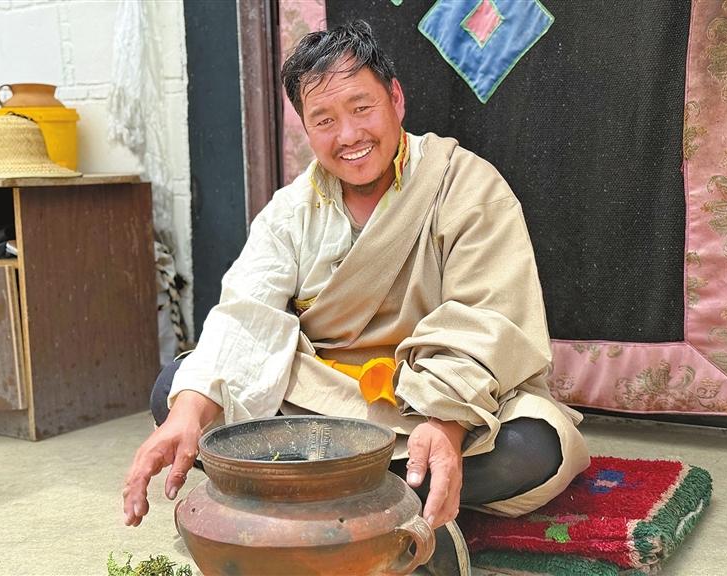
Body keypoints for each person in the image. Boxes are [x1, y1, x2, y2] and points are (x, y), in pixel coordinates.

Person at [123, 20, 590, 575]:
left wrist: (445, 424)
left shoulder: (465, 184)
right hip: (324, 406)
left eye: (362, 108)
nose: (348, 135)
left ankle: (314, 496)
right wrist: (189, 412)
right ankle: (389, 504)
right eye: (324, 120)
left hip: (433, 401)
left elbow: (489, 317)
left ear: (395, 98)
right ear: (305, 128)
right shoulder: (290, 212)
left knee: (534, 445)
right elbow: (248, 316)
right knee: (176, 393)